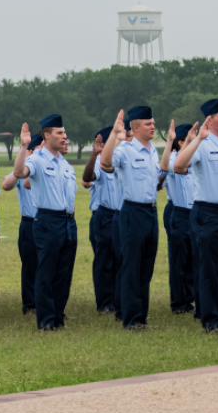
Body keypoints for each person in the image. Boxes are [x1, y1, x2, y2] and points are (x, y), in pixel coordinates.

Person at [175, 99, 218, 333]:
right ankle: (210, 320)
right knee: (208, 270)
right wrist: (198, 139)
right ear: (210, 120)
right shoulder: (201, 144)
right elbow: (178, 166)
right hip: (207, 213)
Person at [13, 116, 79, 331]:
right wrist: (24, 146)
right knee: (46, 272)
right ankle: (46, 321)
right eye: (60, 133)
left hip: (68, 221)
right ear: (47, 135)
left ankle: (58, 317)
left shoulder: (65, 163)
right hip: (48, 220)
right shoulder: (38, 159)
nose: (64, 137)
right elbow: (20, 173)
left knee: (64, 273)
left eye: (65, 133)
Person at [100, 107, 162, 330]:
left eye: (153, 123)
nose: (153, 126)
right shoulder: (125, 150)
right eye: (148, 124)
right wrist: (114, 134)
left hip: (151, 212)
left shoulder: (153, 151)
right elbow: (105, 163)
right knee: (131, 267)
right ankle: (131, 318)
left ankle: (141, 316)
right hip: (132, 212)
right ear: (135, 128)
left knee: (146, 267)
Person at [159, 123, 197, 316]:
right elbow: (164, 169)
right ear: (181, 141)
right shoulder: (174, 158)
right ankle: (178, 302)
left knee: (193, 259)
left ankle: (190, 297)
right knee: (179, 260)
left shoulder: (197, 160)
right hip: (180, 212)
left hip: (197, 213)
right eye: (192, 137)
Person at [3, 133, 42, 316]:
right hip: (29, 222)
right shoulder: (23, 169)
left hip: (47, 221)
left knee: (48, 263)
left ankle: (45, 301)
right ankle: (30, 304)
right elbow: (6, 184)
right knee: (30, 264)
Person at [82, 128, 120, 314]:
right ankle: (105, 302)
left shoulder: (122, 161)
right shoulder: (98, 162)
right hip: (104, 215)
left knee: (120, 260)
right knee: (104, 260)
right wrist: (94, 155)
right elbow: (87, 178)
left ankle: (117, 299)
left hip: (122, 215)